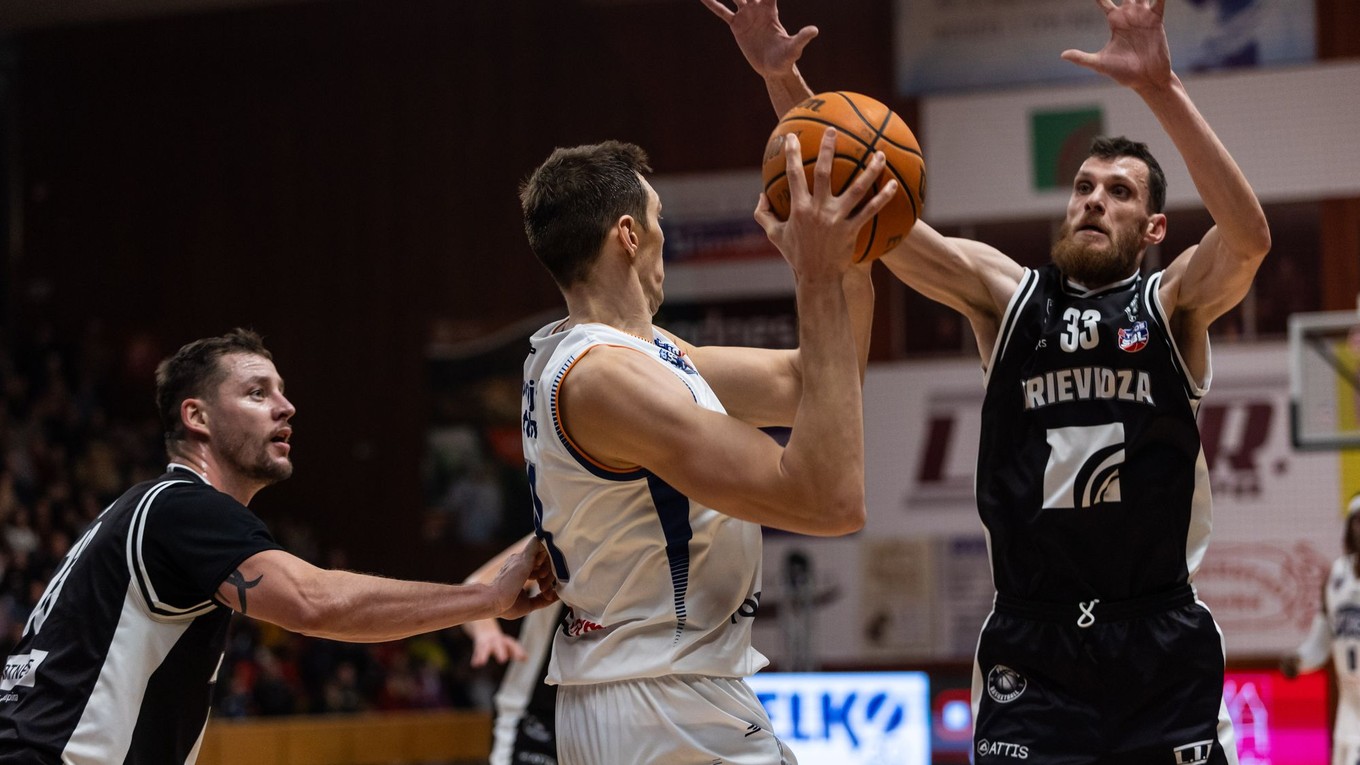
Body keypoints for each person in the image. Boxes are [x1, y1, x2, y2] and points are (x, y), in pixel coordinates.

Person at [705, 0, 1271, 761]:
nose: (1095, 199)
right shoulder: (1005, 297)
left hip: (1158, 642)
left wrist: (1161, 88)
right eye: (1084, 187)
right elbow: (869, 195)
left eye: (1120, 192)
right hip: (1031, 648)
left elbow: (1247, 239)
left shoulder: (1171, 305)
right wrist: (782, 79)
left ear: (1155, 228)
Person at [0, 329, 557, 765]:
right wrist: (487, 598)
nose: (286, 407)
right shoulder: (184, 506)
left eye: (283, 392)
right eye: (257, 393)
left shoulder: (151, 508)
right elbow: (313, 602)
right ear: (196, 417)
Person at [518, 132, 894, 764]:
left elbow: (815, 382)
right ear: (630, 235)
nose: (668, 240)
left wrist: (849, 261)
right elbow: (828, 501)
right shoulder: (605, 379)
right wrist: (814, 273)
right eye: (661, 221)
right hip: (659, 700)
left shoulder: (636, 352)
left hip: (660, 690)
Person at [462, 535, 564, 765]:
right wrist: (487, 633)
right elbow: (477, 586)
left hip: (619, 711)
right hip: (536, 713)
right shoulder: (562, 528)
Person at [1281, 492, 1360, 765]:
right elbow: (1323, 638)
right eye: (1357, 521)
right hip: (1349, 704)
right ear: (1349, 527)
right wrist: (1300, 660)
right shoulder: (1336, 575)